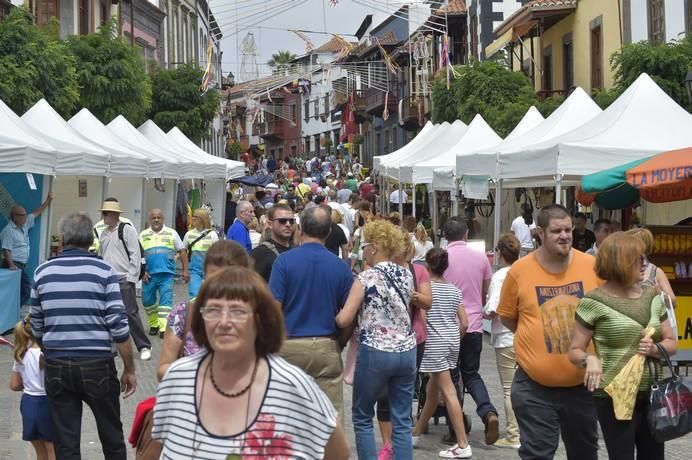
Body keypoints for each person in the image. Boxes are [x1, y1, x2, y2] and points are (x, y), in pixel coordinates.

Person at [152, 267, 350, 459]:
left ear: (260, 320)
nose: (224, 322)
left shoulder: (292, 385)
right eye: (213, 310)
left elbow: (338, 453)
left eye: (238, 311)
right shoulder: (177, 379)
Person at [497, 204, 600, 459]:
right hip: (534, 388)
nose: (565, 235)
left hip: (582, 386)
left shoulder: (593, 267)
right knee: (537, 453)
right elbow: (509, 318)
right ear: (540, 233)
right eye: (557, 231)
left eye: (568, 229)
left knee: (585, 453)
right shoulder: (520, 271)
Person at [30, 212, 136, 459]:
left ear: (63, 238)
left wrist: (50, 350)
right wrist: (129, 368)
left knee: (65, 443)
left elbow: (37, 325)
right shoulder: (104, 271)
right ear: (91, 240)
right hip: (97, 366)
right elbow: (119, 327)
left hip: (58, 367)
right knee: (111, 436)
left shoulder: (42, 273)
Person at [569, 231, 677, 460]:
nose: (645, 264)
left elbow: (671, 342)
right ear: (622, 262)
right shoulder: (593, 302)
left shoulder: (652, 297)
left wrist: (656, 350)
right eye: (639, 259)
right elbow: (574, 350)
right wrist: (590, 359)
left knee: (653, 456)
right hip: (612, 395)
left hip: (652, 393)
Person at [335, 220, 417, 460]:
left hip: (376, 351)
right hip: (406, 351)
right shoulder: (406, 274)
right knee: (401, 418)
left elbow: (345, 319)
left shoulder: (366, 277)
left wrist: (336, 315)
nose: (362, 252)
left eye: (364, 246)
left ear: (375, 247)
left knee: (362, 414)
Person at [268, 206, 353, 418]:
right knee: (330, 416)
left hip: (290, 344)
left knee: (285, 416)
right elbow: (351, 314)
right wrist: (339, 342)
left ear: (301, 228)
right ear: (328, 232)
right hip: (326, 345)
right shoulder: (341, 267)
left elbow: (272, 310)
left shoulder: (284, 262)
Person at [374, 228, 433, 460]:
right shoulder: (377, 271)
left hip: (413, 338)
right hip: (384, 340)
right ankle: (388, 445)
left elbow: (428, 302)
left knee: (404, 392)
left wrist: (412, 295)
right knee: (384, 393)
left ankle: (400, 440)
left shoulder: (419, 271)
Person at [157, 240, 250, 381]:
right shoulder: (183, 314)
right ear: (204, 277)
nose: (221, 284)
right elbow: (162, 370)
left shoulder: (255, 317)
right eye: (214, 277)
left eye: (229, 277)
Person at [443, 217, 499, 444]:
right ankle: (488, 411)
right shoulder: (480, 258)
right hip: (474, 323)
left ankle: (455, 428)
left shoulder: (441, 257)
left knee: (450, 378)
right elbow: (486, 290)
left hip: (448, 326)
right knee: (471, 374)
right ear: (466, 234)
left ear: (446, 236)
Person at [412, 248, 471, 459]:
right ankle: (415, 433)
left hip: (433, 343)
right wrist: (454, 338)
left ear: (427, 265)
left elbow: (424, 318)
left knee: (448, 392)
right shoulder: (455, 290)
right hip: (452, 342)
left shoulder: (425, 291)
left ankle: (462, 443)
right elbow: (464, 323)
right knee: (432, 392)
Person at [98, 199, 152, 360]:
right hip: (107, 279)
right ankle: (111, 346)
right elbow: (101, 256)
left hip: (123, 278)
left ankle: (144, 346)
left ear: (113, 215)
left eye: (105, 214)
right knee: (108, 314)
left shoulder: (127, 230)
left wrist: (132, 278)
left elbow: (136, 254)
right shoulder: (103, 233)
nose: (103, 217)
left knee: (130, 313)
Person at [483, 233, 521, 449]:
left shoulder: (499, 276)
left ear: (499, 253)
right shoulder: (522, 272)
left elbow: (494, 308)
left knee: (509, 388)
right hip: (523, 334)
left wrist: (484, 311)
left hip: (506, 336)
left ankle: (514, 434)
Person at [10, 316, 55, 460]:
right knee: (53, 450)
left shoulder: (21, 354)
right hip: (47, 402)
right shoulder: (48, 354)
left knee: (40, 452)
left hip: (28, 403)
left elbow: (14, 385)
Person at [140, 209, 189, 337]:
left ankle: (163, 328)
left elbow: (182, 251)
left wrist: (185, 270)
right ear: (150, 219)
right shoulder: (143, 235)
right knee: (147, 300)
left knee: (165, 302)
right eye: (153, 217)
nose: (156, 220)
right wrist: (141, 272)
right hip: (148, 276)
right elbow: (138, 255)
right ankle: (154, 323)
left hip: (166, 274)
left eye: (159, 217)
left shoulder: (172, 233)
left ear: (163, 219)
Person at [1, 192, 54, 306]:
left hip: (20, 265)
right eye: (22, 215)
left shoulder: (24, 224)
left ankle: (12, 311)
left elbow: (36, 212)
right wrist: (11, 265)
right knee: (26, 290)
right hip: (13, 265)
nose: (25, 216)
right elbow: (6, 250)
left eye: (25, 214)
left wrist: (48, 200)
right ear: (14, 216)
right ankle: (12, 310)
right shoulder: (8, 231)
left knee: (19, 291)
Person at [627, 227, 676, 306]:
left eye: (633, 243)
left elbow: (673, 302)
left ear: (644, 247)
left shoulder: (656, 271)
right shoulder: (621, 268)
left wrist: (659, 293)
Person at [251, 203, 295, 282]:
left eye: (291, 221)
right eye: (282, 221)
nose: (288, 224)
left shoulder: (297, 250)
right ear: (270, 224)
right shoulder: (260, 253)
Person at [183, 208, 219, 299]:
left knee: (209, 295)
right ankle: (195, 312)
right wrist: (185, 270)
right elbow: (183, 252)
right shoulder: (189, 234)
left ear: (202, 219)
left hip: (209, 270)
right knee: (194, 294)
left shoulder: (212, 235)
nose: (193, 218)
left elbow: (218, 253)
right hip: (194, 270)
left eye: (195, 217)